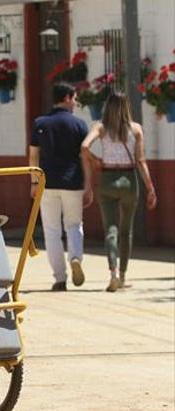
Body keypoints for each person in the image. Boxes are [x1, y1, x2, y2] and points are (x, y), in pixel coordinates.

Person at [81, 92, 157, 292]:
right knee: (126, 230)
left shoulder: (101, 127)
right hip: (129, 180)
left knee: (111, 230)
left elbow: (84, 146)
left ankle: (112, 272)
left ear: (108, 106)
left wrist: (96, 160)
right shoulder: (136, 129)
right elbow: (141, 161)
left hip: (107, 179)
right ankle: (123, 275)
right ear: (126, 106)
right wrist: (150, 187)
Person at [29, 82, 91, 292]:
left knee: (51, 230)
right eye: (74, 98)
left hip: (46, 183)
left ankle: (59, 278)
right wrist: (88, 183)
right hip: (73, 182)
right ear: (66, 98)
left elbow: (33, 155)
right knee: (73, 224)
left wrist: (34, 182)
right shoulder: (80, 125)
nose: (75, 103)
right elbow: (85, 157)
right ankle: (75, 258)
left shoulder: (40, 123)